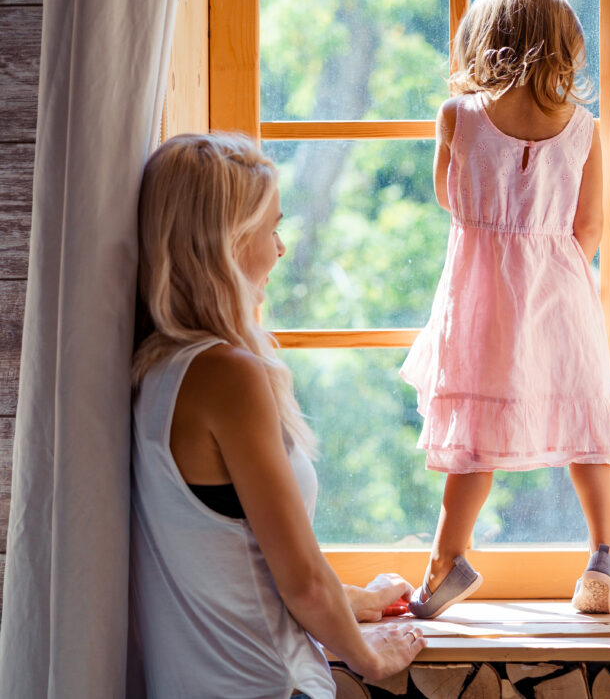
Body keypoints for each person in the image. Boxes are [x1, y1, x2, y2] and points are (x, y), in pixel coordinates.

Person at [130, 133, 427, 699]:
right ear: (228, 243)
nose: (281, 250)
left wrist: (358, 600)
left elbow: (233, 552)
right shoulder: (228, 375)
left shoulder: (158, 371)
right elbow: (302, 583)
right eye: (273, 229)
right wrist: (368, 657)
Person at [400, 0, 610, 617]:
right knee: (585, 426)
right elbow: (589, 228)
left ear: (484, 41)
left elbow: (450, 199)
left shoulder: (458, 116)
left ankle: (447, 561)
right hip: (562, 290)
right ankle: (604, 553)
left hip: (479, 295)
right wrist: (545, 272)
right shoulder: (584, 128)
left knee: (473, 433)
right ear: (565, 46)